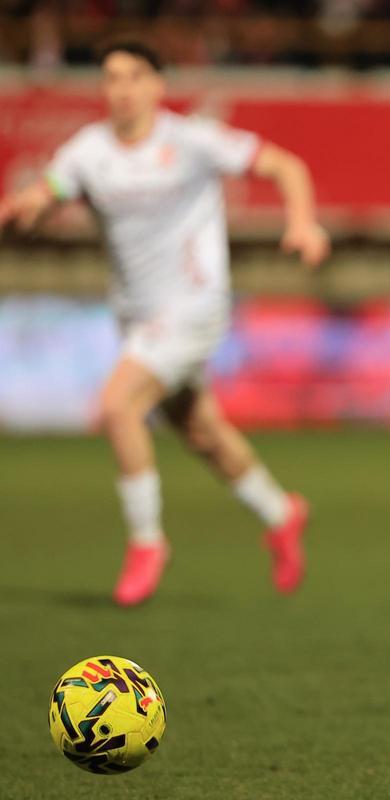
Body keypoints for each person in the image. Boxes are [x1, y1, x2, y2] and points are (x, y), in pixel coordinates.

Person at [0, 41, 329, 607]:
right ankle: (281, 513)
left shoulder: (192, 141)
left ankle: (147, 543)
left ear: (158, 86)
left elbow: (284, 165)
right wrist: (25, 205)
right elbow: (48, 190)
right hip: (138, 316)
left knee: (118, 404)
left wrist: (303, 223)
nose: (121, 89)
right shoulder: (89, 152)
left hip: (195, 307)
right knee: (201, 433)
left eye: (134, 77)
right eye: (111, 78)